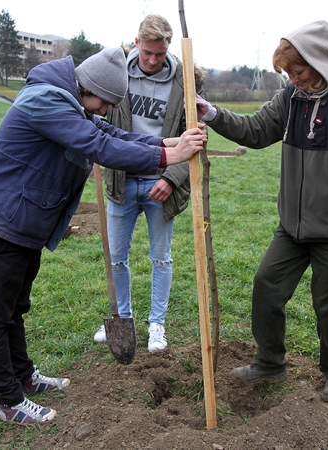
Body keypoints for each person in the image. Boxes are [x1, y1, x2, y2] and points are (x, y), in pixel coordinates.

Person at [0, 47, 203, 425]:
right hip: (1, 220)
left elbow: (110, 133)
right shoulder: (45, 101)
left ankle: (23, 376)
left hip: (23, 221)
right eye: (106, 101)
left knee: (15, 306)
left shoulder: (70, 102)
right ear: (89, 87)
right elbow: (99, 146)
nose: (106, 110)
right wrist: (167, 160)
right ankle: (7, 401)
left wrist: (169, 143)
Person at [196, 20, 328, 403]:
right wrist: (213, 114)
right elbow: (256, 130)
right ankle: (269, 362)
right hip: (293, 229)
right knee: (266, 286)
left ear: (319, 62)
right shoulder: (290, 99)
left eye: (298, 71)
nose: (293, 79)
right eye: (288, 73)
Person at [93, 14, 204, 353]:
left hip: (160, 183)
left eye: (160, 53)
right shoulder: (116, 75)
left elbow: (196, 138)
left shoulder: (186, 82)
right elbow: (98, 120)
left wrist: (172, 178)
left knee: (161, 258)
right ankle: (122, 319)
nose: (153, 60)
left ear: (168, 47)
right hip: (121, 181)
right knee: (116, 257)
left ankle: (157, 324)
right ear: (137, 43)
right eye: (147, 53)